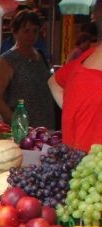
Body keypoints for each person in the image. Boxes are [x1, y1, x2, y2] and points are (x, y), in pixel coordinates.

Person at [49, 1, 102, 151]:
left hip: (74, 166)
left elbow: (53, 82)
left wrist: (74, 111)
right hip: (86, 168)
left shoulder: (86, 59)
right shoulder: (86, 59)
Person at [0, 9, 55, 129]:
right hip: (22, 129)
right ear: (15, 32)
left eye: (35, 31)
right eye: (26, 31)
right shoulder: (7, 60)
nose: (31, 35)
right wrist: (17, 123)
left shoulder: (40, 56)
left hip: (46, 125)